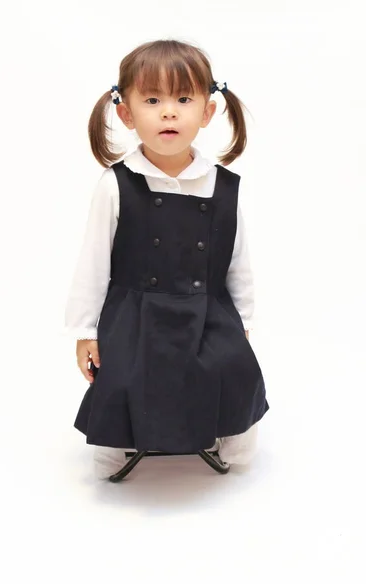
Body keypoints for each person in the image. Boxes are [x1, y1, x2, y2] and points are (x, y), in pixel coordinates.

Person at [64, 39, 269, 479]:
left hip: (208, 308)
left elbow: (239, 262)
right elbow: (93, 262)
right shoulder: (115, 184)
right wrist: (84, 331)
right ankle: (115, 443)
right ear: (126, 113)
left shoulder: (225, 187)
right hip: (135, 311)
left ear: (208, 112)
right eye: (153, 99)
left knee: (235, 370)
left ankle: (234, 438)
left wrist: (244, 322)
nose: (169, 112)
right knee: (121, 378)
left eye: (183, 99)